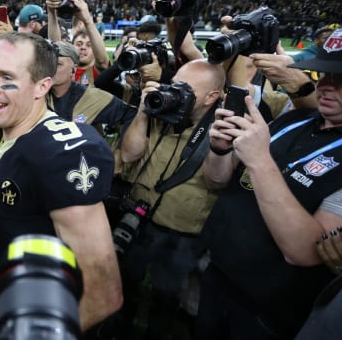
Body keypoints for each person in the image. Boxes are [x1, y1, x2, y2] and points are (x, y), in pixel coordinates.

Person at [0, 32, 123, 336]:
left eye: (6, 77)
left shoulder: (62, 153)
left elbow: (103, 295)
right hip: (12, 273)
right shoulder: (2, 124)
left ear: (43, 85)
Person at [197, 29, 342, 338]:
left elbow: (305, 250)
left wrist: (261, 160)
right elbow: (216, 180)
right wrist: (220, 149)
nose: (327, 86)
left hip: (269, 310)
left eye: (340, 78)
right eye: (325, 74)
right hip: (218, 274)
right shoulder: (295, 119)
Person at [118, 58, 225, 339]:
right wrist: (143, 112)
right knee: (126, 281)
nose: (177, 92)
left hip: (183, 231)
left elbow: (218, 180)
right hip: (138, 217)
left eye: (187, 88)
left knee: (166, 296)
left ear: (211, 97)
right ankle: (121, 326)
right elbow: (128, 155)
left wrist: (219, 146)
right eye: (175, 83)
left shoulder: (223, 127)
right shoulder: (159, 110)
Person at [47, 40, 135, 141]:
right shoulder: (38, 94)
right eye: (48, 63)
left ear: (73, 69)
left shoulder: (90, 97)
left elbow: (130, 115)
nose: (51, 68)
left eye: (58, 64)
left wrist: (119, 150)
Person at [47, 0, 110, 85]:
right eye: (79, 44)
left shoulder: (97, 73)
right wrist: (51, 11)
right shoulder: (63, 70)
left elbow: (102, 62)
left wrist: (88, 20)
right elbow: (57, 47)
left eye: (89, 45)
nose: (83, 47)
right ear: (72, 47)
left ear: (95, 51)